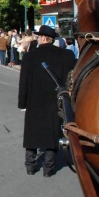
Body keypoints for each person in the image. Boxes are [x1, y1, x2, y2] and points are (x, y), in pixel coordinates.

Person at [18, 25, 76, 177]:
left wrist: (22, 104)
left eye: (38, 37)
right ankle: (48, 168)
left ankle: (30, 166)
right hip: (55, 101)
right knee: (53, 133)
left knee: (31, 133)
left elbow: (23, 82)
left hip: (34, 100)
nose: (37, 39)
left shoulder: (30, 57)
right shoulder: (67, 55)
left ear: (43, 38)